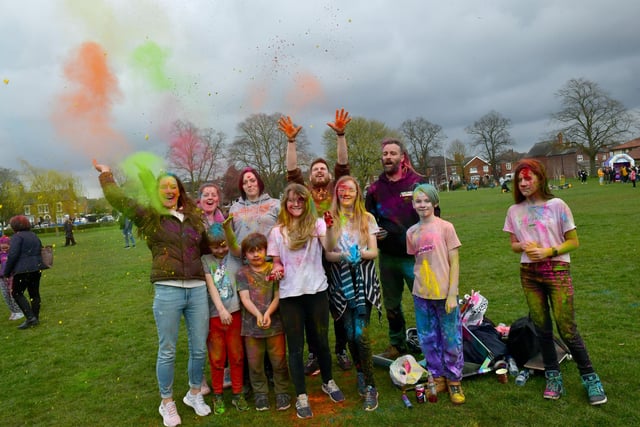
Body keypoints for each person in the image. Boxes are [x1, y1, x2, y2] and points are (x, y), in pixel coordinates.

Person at [93, 161, 212, 426]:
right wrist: (106, 175)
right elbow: (119, 199)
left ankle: (194, 393)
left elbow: (204, 248)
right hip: (167, 289)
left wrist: (220, 236)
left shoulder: (193, 219)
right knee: (167, 349)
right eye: (163, 187)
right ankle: (167, 402)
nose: (169, 190)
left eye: (173, 186)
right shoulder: (149, 216)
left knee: (199, 347)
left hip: (196, 289)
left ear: (180, 191)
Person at [503, 159, 607, 405]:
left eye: (528, 178)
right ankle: (553, 376)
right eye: (520, 180)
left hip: (557, 270)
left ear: (540, 178)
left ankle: (590, 378)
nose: (524, 183)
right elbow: (513, 245)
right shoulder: (514, 211)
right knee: (542, 328)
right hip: (529, 274)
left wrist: (548, 252)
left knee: (567, 328)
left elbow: (573, 241)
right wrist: (524, 247)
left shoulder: (557, 205)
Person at [278, 108, 353, 375]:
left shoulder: (337, 189)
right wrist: (290, 142)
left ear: (329, 175)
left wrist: (341, 135)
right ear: (310, 177)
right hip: (308, 258)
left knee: (341, 306)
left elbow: (343, 165)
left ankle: (341, 349)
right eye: (316, 169)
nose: (320, 171)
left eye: (323, 169)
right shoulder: (305, 194)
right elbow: (291, 172)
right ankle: (313, 354)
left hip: (334, 252)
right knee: (310, 308)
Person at [267, 183, 345, 419]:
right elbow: (276, 261)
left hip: (316, 291)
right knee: (296, 347)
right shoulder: (277, 232)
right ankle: (301, 394)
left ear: (306, 201)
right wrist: (277, 269)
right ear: (285, 204)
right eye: (291, 200)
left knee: (321, 340)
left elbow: (330, 247)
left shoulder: (317, 224)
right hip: (290, 295)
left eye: (300, 200)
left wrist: (330, 228)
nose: (296, 204)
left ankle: (328, 381)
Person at [364, 138, 427, 359]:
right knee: (392, 305)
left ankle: (428, 342)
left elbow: (434, 215)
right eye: (385, 154)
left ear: (402, 157)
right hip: (388, 258)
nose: (388, 157)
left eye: (392, 153)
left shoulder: (417, 184)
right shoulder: (374, 189)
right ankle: (397, 343)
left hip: (416, 257)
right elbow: (367, 221)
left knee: (424, 301)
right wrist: (375, 234)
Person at [325, 176, 382, 411]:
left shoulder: (367, 218)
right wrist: (341, 254)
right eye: (342, 190)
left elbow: (374, 251)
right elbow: (328, 252)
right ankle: (360, 371)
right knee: (349, 334)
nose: (346, 193)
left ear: (358, 193)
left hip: (363, 284)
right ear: (337, 194)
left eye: (351, 189)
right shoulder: (329, 219)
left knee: (361, 335)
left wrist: (359, 254)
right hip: (340, 286)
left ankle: (371, 387)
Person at [406, 184, 465, 405]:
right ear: (413, 205)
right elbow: (417, 260)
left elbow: (455, 262)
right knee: (428, 338)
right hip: (422, 293)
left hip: (445, 293)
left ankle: (454, 379)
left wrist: (452, 293)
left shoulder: (446, 227)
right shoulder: (411, 232)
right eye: (418, 201)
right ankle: (437, 375)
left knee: (451, 337)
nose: (422, 205)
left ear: (435, 202)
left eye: (426, 201)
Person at [236, 232, 291, 412]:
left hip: (275, 325)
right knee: (255, 363)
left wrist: (267, 313)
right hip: (251, 328)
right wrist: (258, 315)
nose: (256, 254)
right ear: (245, 254)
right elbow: (244, 298)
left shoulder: (274, 270)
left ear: (266, 251)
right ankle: (260, 394)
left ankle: (282, 391)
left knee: (279, 361)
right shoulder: (242, 273)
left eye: (259, 250)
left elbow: (278, 295)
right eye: (251, 252)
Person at [202, 222, 248, 415]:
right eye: (215, 247)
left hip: (236, 315)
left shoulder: (235, 258)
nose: (220, 250)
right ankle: (218, 394)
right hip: (215, 317)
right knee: (217, 358)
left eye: (223, 245)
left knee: (237, 357)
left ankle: (238, 394)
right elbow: (211, 286)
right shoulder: (205, 260)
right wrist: (221, 310)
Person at [4, 215, 47, 329]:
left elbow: (12, 255)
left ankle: (30, 317)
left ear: (15, 226)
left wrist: (7, 272)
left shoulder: (17, 237)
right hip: (36, 267)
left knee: (16, 293)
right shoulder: (34, 235)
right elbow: (40, 248)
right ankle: (35, 317)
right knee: (34, 293)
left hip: (23, 269)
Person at [0, 235, 25, 321]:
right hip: (2, 278)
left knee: (12, 294)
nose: (4, 250)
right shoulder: (0, 254)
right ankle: (13, 311)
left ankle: (19, 311)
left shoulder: (13, 254)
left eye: (6, 247)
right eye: (2, 248)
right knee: (5, 295)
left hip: (12, 276)